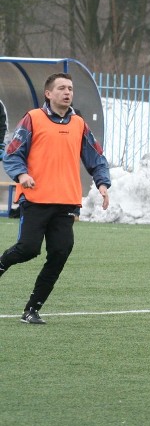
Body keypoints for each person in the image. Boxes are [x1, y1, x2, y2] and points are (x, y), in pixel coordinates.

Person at [0, 72, 111, 324]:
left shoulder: (79, 124)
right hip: (36, 199)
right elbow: (11, 154)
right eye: (61, 88)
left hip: (66, 202)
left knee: (60, 252)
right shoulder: (33, 119)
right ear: (48, 93)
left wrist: (103, 184)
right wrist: (22, 175)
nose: (67, 92)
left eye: (70, 88)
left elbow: (96, 158)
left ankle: (32, 310)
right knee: (28, 249)